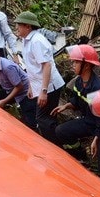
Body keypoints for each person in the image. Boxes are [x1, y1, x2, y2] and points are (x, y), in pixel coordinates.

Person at [14, 11, 64, 143]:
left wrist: (43, 91)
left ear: (28, 27)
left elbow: (46, 66)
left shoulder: (36, 41)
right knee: (46, 117)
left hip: (49, 86)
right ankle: (57, 143)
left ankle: (58, 145)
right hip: (41, 85)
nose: (16, 28)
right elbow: (32, 67)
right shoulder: (27, 41)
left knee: (42, 119)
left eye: (19, 25)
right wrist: (31, 86)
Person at [52, 44, 100, 162]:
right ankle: (80, 157)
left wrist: (97, 137)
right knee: (61, 131)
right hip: (88, 121)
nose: (72, 66)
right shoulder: (79, 81)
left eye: (75, 63)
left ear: (86, 65)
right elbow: (77, 101)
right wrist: (66, 106)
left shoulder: (97, 88)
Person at [0, 45, 36, 130]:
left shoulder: (8, 67)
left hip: (24, 92)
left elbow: (19, 86)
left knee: (29, 122)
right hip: (9, 90)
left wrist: (5, 101)